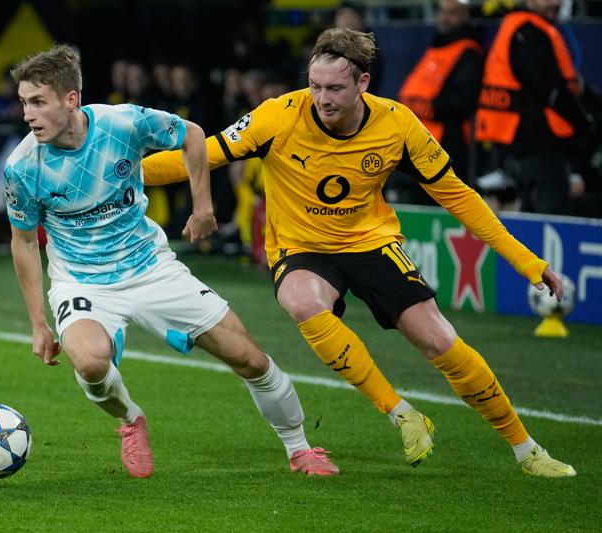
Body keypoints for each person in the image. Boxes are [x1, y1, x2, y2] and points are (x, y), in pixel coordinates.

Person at [143, 28, 576, 478]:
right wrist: (119, 171)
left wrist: (527, 261)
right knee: (302, 301)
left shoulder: (397, 124)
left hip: (371, 242)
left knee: (439, 340)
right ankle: (400, 412)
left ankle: (527, 451)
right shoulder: (278, 115)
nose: (322, 99)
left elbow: (459, 197)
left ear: (363, 83)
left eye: (334, 88)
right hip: (302, 247)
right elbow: (201, 154)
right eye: (315, 86)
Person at [4, 45, 337, 479]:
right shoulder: (22, 167)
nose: (27, 115)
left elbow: (192, 135)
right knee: (89, 362)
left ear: (71, 99)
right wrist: (39, 324)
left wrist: (203, 208)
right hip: (81, 282)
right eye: (24, 102)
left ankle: (300, 449)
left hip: (151, 268)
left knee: (250, 360)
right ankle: (131, 420)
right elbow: (24, 243)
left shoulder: (122, 123)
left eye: (37, 102)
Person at [475, 0, 596, 214]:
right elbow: (552, 91)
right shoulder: (530, 32)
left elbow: (570, 84)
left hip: (518, 145)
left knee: (530, 220)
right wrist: (584, 124)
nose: (555, 3)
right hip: (540, 147)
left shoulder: (518, 26)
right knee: (551, 221)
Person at [398, 0, 484, 180]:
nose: (445, 18)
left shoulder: (468, 52)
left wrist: (431, 106)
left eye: (452, 13)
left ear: (464, 15)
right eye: (442, 12)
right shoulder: (438, 45)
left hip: (445, 144)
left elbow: (463, 101)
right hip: (419, 139)